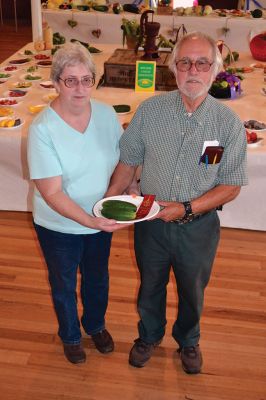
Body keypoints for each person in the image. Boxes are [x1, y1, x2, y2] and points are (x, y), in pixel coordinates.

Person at [105, 31, 248, 374]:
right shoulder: (150, 111)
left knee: (192, 291)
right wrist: (111, 201)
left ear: (214, 69)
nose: (192, 70)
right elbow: (128, 161)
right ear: (174, 69)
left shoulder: (227, 124)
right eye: (184, 62)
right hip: (150, 223)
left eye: (202, 63)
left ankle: (189, 339)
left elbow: (230, 185)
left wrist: (184, 208)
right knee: (150, 284)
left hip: (197, 229)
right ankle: (149, 335)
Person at [27, 42, 127, 364]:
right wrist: (91, 221)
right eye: (70, 80)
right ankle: (70, 335)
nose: (80, 88)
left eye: (87, 79)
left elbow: (122, 160)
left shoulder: (106, 113)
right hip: (59, 225)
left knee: (98, 277)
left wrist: (129, 190)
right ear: (56, 82)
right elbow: (52, 193)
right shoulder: (42, 129)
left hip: (101, 217)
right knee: (64, 282)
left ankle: (95, 325)